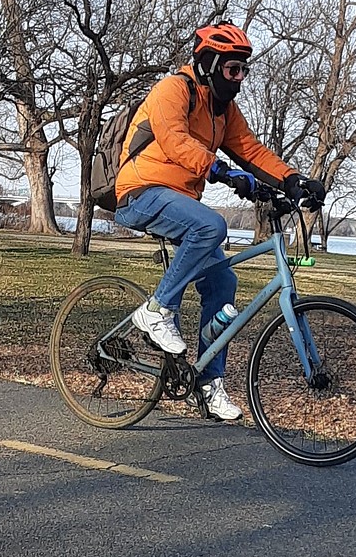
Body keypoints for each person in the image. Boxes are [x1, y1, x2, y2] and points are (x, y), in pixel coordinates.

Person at [114, 21, 325, 421]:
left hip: (180, 203)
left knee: (224, 281)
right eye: (233, 69)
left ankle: (209, 384)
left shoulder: (223, 109)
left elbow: (251, 150)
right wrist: (220, 170)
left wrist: (294, 180)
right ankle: (156, 310)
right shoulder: (173, 90)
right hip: (141, 192)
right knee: (212, 225)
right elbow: (176, 140)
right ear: (209, 63)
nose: (240, 78)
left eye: (245, 69)